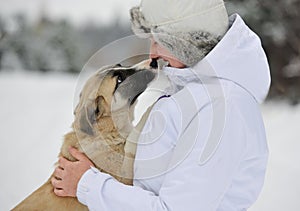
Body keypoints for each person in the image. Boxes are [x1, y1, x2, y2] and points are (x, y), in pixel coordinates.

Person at [51, 0, 271, 210]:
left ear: (185, 43)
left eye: (159, 42)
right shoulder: (192, 91)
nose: (151, 54)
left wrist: (89, 186)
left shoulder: (221, 109)